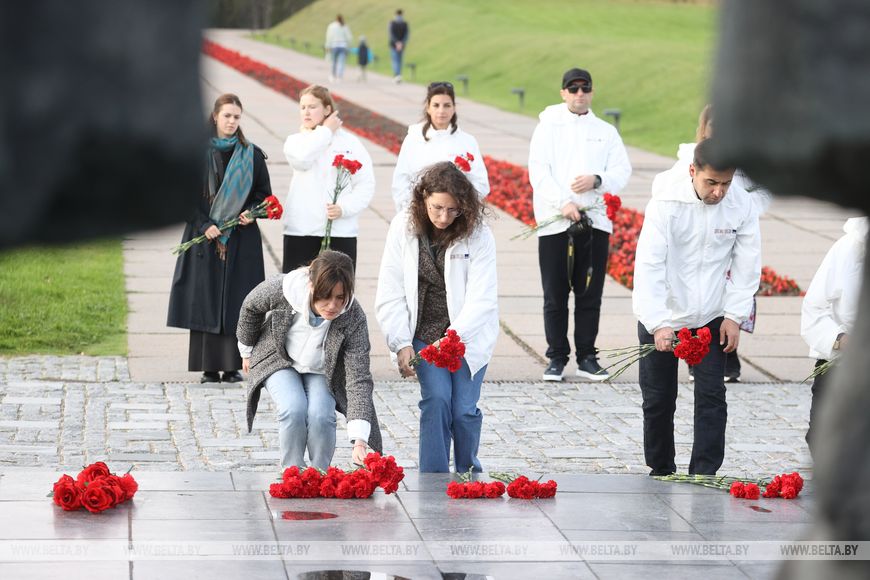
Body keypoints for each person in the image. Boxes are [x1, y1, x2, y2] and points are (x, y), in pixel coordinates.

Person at [633, 138, 761, 476]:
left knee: (712, 395)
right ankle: (661, 468)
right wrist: (658, 322)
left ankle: (704, 472)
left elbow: (747, 266)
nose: (719, 192)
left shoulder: (741, 205)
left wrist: (734, 316)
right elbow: (648, 266)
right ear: (693, 171)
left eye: (726, 184)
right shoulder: (665, 203)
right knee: (658, 398)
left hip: (711, 315)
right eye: (711, 182)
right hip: (665, 312)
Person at [375, 162, 498, 473]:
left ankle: (468, 473)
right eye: (437, 208)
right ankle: (433, 478)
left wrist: (455, 337)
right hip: (423, 332)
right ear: (423, 198)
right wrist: (401, 342)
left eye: (452, 210)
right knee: (437, 399)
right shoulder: (402, 227)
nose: (444, 217)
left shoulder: (478, 234)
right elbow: (390, 289)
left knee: (463, 410)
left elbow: (482, 298)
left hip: (466, 334)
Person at [528, 67, 632, 382]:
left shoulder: (605, 131)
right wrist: (564, 203)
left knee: (589, 294)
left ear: (591, 91)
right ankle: (556, 357)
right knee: (555, 294)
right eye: (573, 89)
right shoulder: (547, 127)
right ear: (563, 93)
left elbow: (622, 170)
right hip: (556, 222)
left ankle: (587, 357)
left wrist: (597, 180)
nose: (579, 94)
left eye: (584, 88)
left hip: (594, 222)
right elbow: (538, 172)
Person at [237, 250, 383, 469]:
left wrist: (360, 441)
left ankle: (320, 475)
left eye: (340, 297)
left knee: (321, 415)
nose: (332, 305)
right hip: (280, 360)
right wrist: (247, 349)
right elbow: (250, 306)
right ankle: (292, 473)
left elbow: (358, 377)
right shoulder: (284, 289)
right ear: (311, 286)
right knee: (293, 408)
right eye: (325, 296)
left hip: (321, 370)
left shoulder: (353, 317)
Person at [167, 93, 272, 384]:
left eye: (236, 117)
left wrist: (253, 213)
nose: (231, 121)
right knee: (206, 300)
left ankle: (233, 366)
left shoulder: (252, 155)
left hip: (240, 239)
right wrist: (204, 225)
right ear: (215, 116)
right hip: (205, 238)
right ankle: (209, 368)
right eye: (227, 115)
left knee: (237, 302)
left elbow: (264, 196)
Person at [667, 104, 772, 383]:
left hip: (731, 234)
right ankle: (693, 352)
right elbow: (671, 191)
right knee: (695, 293)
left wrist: (741, 206)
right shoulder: (691, 158)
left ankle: (727, 354)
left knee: (728, 296)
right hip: (697, 239)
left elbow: (762, 193)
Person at [282, 85, 375, 273]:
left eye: (312, 107)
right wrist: (325, 132)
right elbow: (302, 160)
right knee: (297, 286)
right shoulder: (295, 141)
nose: (306, 112)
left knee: (339, 286)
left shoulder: (350, 143)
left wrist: (344, 208)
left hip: (340, 230)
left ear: (327, 109)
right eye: (302, 107)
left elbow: (366, 184)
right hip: (302, 229)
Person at [801, 216, 866, 458]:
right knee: (822, 437)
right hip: (840, 361)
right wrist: (840, 339)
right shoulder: (848, 249)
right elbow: (814, 307)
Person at [391, 81, 489, 213]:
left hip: (456, 213)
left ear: (454, 108)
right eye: (436, 105)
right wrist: (413, 210)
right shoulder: (414, 139)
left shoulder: (467, 141)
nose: (441, 111)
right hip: (419, 212)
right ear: (428, 107)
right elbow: (401, 181)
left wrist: (458, 205)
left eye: (447, 105)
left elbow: (480, 183)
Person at [325, 14, 352, 82]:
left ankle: (333, 76)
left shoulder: (331, 26)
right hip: (343, 46)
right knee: (341, 62)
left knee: (334, 62)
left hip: (334, 45)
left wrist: (328, 46)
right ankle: (339, 77)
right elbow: (349, 38)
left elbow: (329, 37)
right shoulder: (344, 26)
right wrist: (349, 46)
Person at [388, 9, 409, 83]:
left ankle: (397, 75)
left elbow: (391, 34)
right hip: (402, 46)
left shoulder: (392, 23)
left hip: (393, 45)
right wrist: (401, 43)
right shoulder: (405, 24)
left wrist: (397, 43)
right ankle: (399, 75)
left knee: (395, 61)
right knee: (400, 61)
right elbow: (406, 35)